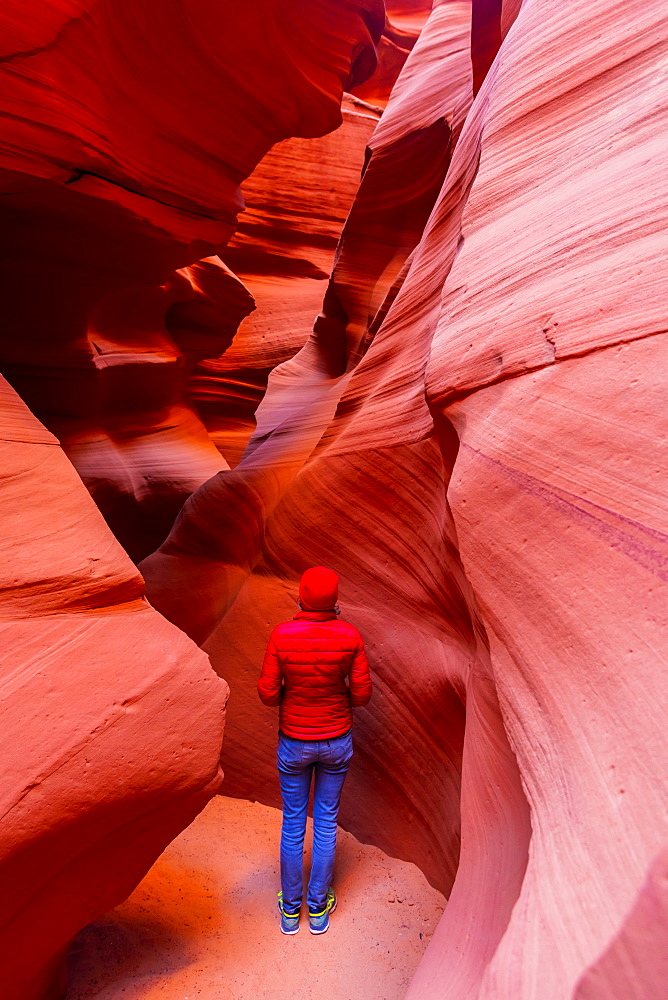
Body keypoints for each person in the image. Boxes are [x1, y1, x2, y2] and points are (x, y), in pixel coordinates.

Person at [257, 566, 372, 935]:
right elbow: (363, 695)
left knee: (293, 822)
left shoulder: (282, 635)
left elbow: (267, 694)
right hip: (336, 740)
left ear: (301, 597)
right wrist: (335, 694)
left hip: (294, 740)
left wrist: (296, 694)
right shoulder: (350, 636)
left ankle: (291, 912)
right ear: (335, 600)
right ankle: (318, 910)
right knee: (324, 820)